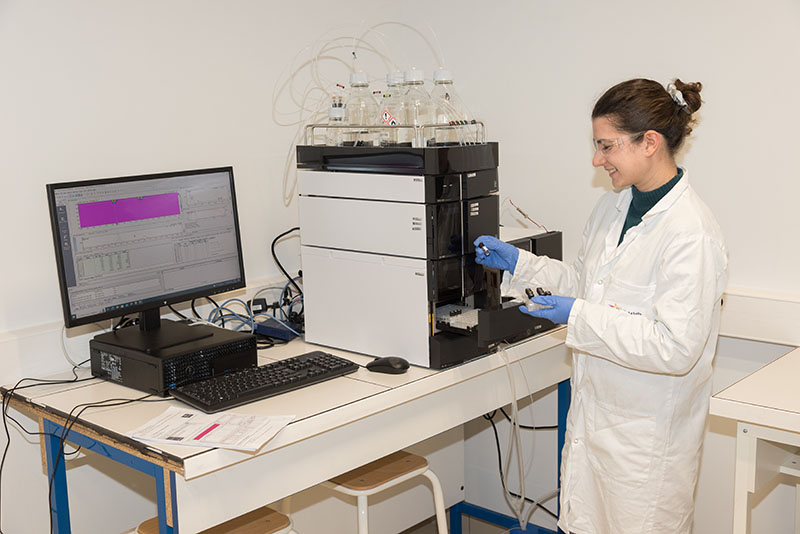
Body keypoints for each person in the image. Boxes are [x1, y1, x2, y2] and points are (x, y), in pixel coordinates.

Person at [474, 78, 728, 534]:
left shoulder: (691, 233)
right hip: (594, 426)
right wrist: (521, 265)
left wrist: (577, 315)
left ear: (649, 142)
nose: (597, 159)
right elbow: (586, 284)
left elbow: (675, 348)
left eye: (606, 146)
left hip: (645, 448)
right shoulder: (613, 207)